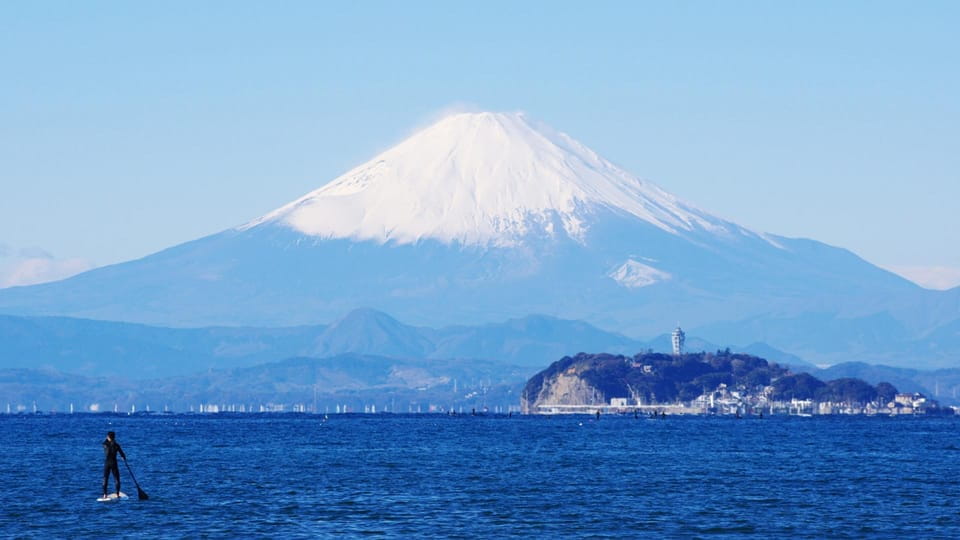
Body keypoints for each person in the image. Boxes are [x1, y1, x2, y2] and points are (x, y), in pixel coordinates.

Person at [102, 431, 127, 498]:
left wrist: (108, 438)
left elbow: (106, 442)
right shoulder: (116, 445)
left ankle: (105, 494)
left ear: (108, 437)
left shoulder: (104, 444)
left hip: (107, 463)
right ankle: (118, 494)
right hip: (114, 463)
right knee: (116, 479)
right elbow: (122, 454)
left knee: (105, 478)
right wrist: (123, 458)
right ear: (114, 437)